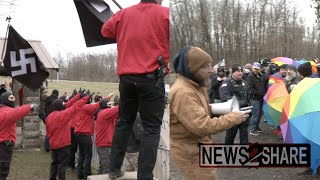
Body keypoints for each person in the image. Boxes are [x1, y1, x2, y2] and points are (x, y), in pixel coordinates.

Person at [101, 0, 169, 179]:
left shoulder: (124, 14)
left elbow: (105, 31)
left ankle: (114, 169)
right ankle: (144, 176)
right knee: (151, 128)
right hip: (150, 79)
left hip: (127, 79)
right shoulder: (164, 13)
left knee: (124, 121)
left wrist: (126, 22)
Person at [170, 46, 250, 179]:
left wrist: (212, 109)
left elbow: (196, 109)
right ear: (192, 69)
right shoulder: (183, 92)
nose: (211, 70)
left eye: (210, 65)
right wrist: (233, 118)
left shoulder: (194, 84)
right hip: (190, 151)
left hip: (198, 145)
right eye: (205, 66)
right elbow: (202, 126)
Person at [46, 94, 88, 180]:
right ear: (59, 106)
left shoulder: (49, 117)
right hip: (63, 144)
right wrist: (85, 98)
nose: (65, 105)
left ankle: (52, 178)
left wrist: (78, 96)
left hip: (53, 143)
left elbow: (70, 105)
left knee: (54, 162)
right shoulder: (63, 115)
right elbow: (75, 107)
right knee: (62, 164)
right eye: (63, 104)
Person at [0, 92, 36, 179]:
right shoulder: (6, 112)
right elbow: (15, 113)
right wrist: (29, 107)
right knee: (2, 172)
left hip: (4, 145)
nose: (14, 100)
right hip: (4, 146)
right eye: (11, 98)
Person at [219, 64, 251, 144]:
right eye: (238, 71)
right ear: (232, 72)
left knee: (244, 136)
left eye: (241, 71)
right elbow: (224, 97)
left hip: (243, 113)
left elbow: (249, 96)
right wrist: (239, 103)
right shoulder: (227, 83)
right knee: (230, 136)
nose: (240, 73)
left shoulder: (245, 83)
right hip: (232, 114)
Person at [95, 102, 119, 174]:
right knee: (107, 168)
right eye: (109, 105)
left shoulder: (104, 114)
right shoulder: (104, 113)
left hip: (106, 143)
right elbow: (118, 109)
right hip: (103, 144)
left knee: (103, 166)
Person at [246, 62, 267, 136]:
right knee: (255, 114)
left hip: (262, 98)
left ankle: (257, 127)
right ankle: (252, 129)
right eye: (255, 68)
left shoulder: (261, 75)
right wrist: (258, 92)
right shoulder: (250, 76)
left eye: (257, 69)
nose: (256, 70)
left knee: (260, 114)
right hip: (254, 98)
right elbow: (249, 88)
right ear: (252, 68)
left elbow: (265, 84)